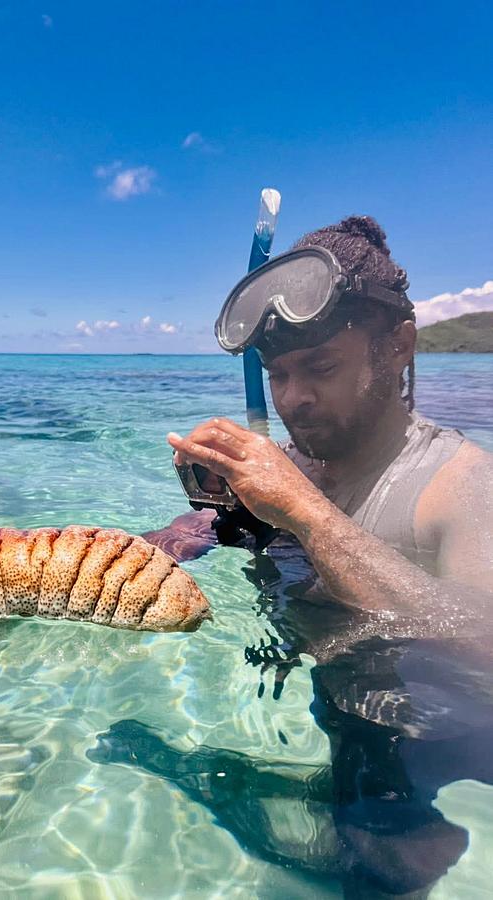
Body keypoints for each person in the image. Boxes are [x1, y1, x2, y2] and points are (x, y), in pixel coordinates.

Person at [128, 215, 493, 896]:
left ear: (398, 348)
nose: (293, 399)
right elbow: (180, 543)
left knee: (371, 869)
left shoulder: (461, 484)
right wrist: (151, 548)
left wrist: (305, 513)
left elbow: (483, 642)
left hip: (436, 732)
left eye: (321, 368)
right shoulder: (294, 468)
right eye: (277, 375)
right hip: (343, 709)